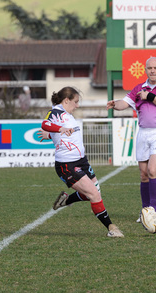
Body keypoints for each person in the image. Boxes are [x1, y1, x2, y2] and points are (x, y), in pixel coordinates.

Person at [39, 86, 124, 238]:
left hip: (82, 161)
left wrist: (52, 135)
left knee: (94, 192)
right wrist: (59, 130)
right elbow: (45, 124)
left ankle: (66, 200)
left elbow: (66, 136)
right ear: (66, 100)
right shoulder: (56, 112)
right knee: (94, 195)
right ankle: (112, 228)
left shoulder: (67, 114)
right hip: (67, 165)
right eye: (76, 102)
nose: (78, 105)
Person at [106, 56, 156, 222]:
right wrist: (115, 104)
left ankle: (152, 210)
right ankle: (145, 210)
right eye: (149, 68)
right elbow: (125, 103)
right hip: (143, 132)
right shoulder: (139, 88)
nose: (152, 70)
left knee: (153, 170)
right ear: (145, 70)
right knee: (144, 174)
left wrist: (149, 96)